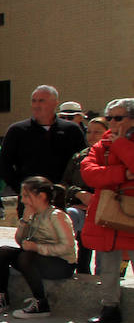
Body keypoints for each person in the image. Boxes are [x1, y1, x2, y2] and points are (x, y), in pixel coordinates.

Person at [0, 176, 77, 319]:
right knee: (3, 252)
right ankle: (3, 297)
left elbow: (67, 247)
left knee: (26, 256)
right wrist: (24, 221)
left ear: (41, 196)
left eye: (26, 196)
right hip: (38, 258)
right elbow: (19, 241)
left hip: (61, 263)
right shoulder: (32, 214)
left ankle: (41, 303)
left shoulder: (56, 216)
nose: (22, 200)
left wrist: (38, 248)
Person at [79, 98, 134, 323]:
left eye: (117, 118)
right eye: (109, 117)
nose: (111, 122)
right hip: (109, 213)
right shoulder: (102, 144)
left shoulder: (115, 143)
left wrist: (121, 145)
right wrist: (122, 173)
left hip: (130, 212)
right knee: (108, 265)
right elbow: (89, 173)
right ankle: (110, 308)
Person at [0, 85, 86, 193]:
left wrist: (72, 189)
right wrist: (21, 188)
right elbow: (4, 164)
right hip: (29, 198)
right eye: (34, 101)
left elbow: (82, 162)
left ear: (55, 103)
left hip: (63, 196)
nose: (36, 105)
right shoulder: (17, 130)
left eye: (41, 101)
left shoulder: (71, 130)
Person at [60, 116, 106, 275]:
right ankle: (75, 267)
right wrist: (78, 193)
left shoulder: (112, 156)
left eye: (97, 132)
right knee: (70, 217)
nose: (92, 136)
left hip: (104, 210)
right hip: (80, 207)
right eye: (89, 132)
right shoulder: (79, 157)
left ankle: (102, 278)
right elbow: (64, 184)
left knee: (103, 243)